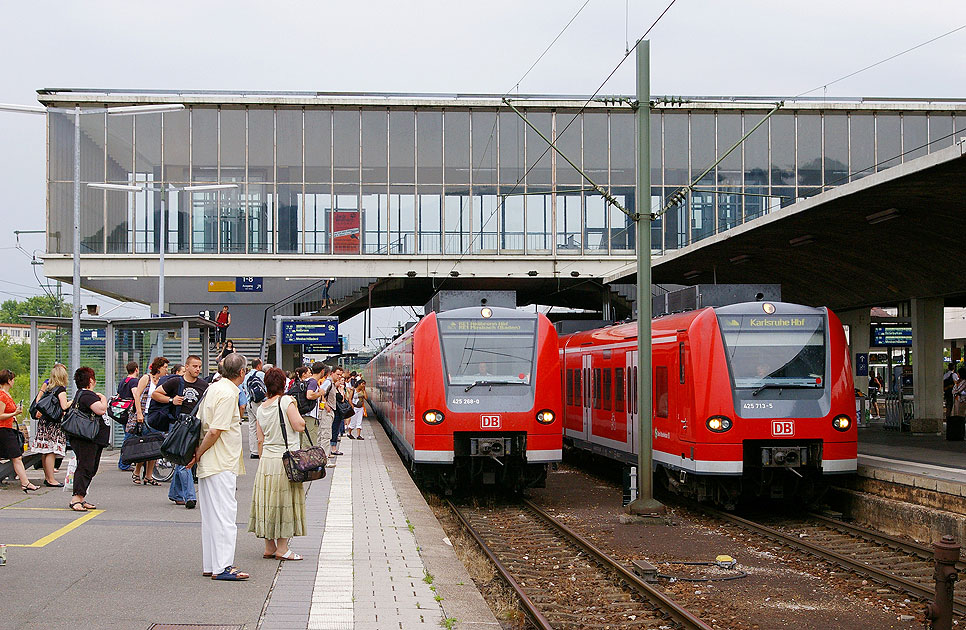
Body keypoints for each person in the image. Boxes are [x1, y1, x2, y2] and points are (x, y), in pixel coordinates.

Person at [187, 352, 248, 581]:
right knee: (225, 515)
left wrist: (198, 455)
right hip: (221, 460)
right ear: (241, 372)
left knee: (211, 516)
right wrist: (199, 453)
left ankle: (211, 564)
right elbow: (215, 430)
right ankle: (223, 567)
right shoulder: (228, 393)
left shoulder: (213, 388)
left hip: (210, 463)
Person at [248, 366, 307, 560]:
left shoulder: (262, 407)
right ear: (283, 384)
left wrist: (263, 459)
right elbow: (299, 425)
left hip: (267, 461)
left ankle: (269, 546)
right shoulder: (287, 401)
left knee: (268, 503)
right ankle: (283, 549)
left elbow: (259, 439)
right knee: (284, 503)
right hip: (285, 460)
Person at [155, 355, 208, 509]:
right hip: (178, 425)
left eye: (199, 366)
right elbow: (156, 394)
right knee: (183, 459)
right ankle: (189, 496)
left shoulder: (203, 385)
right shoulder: (176, 382)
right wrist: (172, 400)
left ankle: (175, 494)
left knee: (183, 459)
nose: (197, 369)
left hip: (194, 426)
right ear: (187, 366)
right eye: (194, 366)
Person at [69, 367, 110, 511]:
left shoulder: (82, 394)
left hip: (89, 438)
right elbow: (100, 409)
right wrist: (104, 399)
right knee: (85, 466)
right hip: (86, 438)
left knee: (90, 467)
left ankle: (81, 497)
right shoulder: (87, 395)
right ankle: (76, 498)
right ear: (91, 380)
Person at [31, 364, 71, 486]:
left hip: (44, 422)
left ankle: (47, 477)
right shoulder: (61, 390)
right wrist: (73, 401)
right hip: (53, 424)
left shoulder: (49, 388)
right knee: (51, 452)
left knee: (45, 451)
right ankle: (51, 479)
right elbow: (64, 406)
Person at [132, 357, 169, 485]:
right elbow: (138, 395)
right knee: (144, 444)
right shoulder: (146, 378)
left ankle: (149, 475)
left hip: (156, 415)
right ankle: (137, 471)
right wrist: (139, 413)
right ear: (159, 368)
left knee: (155, 445)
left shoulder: (162, 381)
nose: (166, 370)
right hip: (145, 413)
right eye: (165, 367)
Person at [0, 369, 35, 493]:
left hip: (7, 428)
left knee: (16, 457)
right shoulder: (2, 395)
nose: (14, 381)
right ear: (8, 381)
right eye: (13, 379)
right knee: (16, 456)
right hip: (3, 430)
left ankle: (25, 482)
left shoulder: (7, 395)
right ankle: (25, 483)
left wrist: (12, 415)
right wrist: (14, 413)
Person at [116, 361, 141, 472]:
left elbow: (118, 395)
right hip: (131, 413)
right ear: (136, 369)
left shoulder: (123, 381)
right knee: (129, 437)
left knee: (129, 436)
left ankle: (129, 460)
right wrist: (139, 410)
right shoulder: (134, 381)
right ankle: (123, 463)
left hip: (123, 412)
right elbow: (136, 395)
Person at [243, 359, 266, 459]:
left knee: (252, 426)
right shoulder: (261, 374)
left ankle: (254, 451)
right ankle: (262, 449)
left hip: (250, 402)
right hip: (259, 402)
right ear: (259, 365)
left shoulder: (246, 376)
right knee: (262, 424)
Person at [301, 362, 325, 449]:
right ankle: (307, 462)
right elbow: (309, 395)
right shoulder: (313, 382)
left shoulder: (306, 380)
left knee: (304, 441)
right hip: (310, 416)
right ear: (322, 371)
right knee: (309, 443)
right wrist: (320, 393)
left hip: (304, 414)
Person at [327, 369, 348, 456]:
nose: (339, 379)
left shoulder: (338, 389)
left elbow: (342, 399)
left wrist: (341, 390)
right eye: (338, 376)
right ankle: (332, 449)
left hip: (338, 412)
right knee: (332, 430)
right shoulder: (330, 386)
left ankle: (332, 448)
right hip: (333, 411)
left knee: (335, 430)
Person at [949, 367, 966, 441]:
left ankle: (961, 433)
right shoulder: (957, 382)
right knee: (955, 415)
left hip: (962, 401)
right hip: (956, 400)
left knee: (960, 416)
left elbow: (959, 390)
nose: (957, 375)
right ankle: (956, 433)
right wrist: (956, 392)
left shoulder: (964, 382)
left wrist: (957, 392)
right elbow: (954, 390)